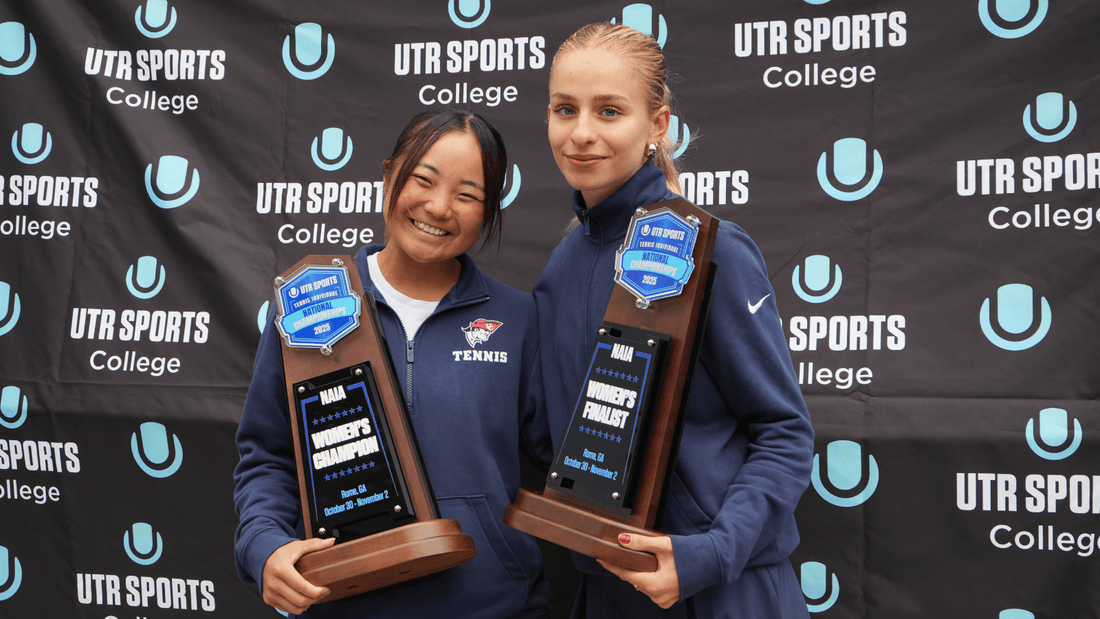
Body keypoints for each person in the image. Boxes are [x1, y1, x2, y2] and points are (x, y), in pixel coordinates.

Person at [532, 23, 815, 619]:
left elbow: (784, 433)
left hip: (723, 590)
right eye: (565, 109)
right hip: (609, 590)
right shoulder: (559, 269)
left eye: (610, 111)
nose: (582, 133)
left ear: (657, 125)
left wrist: (711, 553)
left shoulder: (714, 251)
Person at [234, 108, 553, 618]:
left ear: (490, 210)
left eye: (468, 195)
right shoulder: (309, 306)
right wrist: (264, 546)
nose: (439, 206)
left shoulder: (520, 319)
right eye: (422, 180)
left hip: (493, 606)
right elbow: (269, 457)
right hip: (343, 602)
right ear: (387, 176)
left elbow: (568, 458)